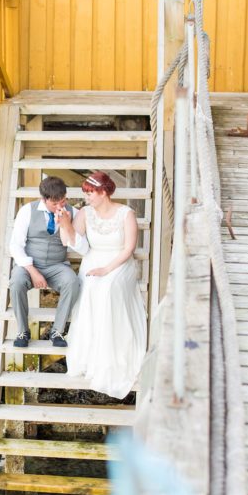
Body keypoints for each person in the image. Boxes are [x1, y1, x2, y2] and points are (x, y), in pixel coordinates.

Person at [60, 171, 147, 398]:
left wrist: (108, 269)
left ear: (104, 192)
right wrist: (65, 223)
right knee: (89, 286)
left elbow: (128, 249)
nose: (87, 198)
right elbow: (71, 242)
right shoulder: (85, 213)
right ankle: (91, 356)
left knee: (107, 288)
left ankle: (111, 357)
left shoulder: (126, 213)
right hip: (93, 259)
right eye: (86, 194)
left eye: (91, 193)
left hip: (119, 262)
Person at [9, 175, 88, 348]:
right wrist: (33, 272)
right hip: (30, 265)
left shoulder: (72, 212)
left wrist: (66, 224)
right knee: (16, 282)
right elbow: (15, 246)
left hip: (57, 265)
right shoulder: (27, 211)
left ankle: (57, 330)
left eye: (63, 200)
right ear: (44, 199)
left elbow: (76, 245)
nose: (60, 206)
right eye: (55, 203)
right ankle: (23, 331)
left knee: (72, 282)